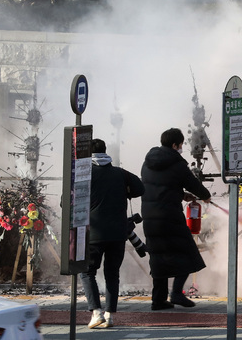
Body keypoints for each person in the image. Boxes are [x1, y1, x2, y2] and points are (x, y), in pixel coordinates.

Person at [141, 128, 211, 310]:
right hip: (169, 217)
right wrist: (205, 195)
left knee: (159, 257)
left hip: (150, 217)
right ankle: (177, 293)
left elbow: (160, 186)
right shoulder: (176, 163)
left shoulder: (147, 163)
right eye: (180, 145)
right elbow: (192, 183)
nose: (181, 148)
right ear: (175, 145)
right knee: (188, 253)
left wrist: (180, 194)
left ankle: (158, 300)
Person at [81, 138, 145, 328]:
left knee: (87, 272)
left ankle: (96, 312)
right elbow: (140, 188)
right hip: (118, 233)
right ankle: (109, 315)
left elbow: (66, 201)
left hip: (93, 233)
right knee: (112, 274)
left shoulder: (84, 175)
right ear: (105, 152)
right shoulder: (120, 173)